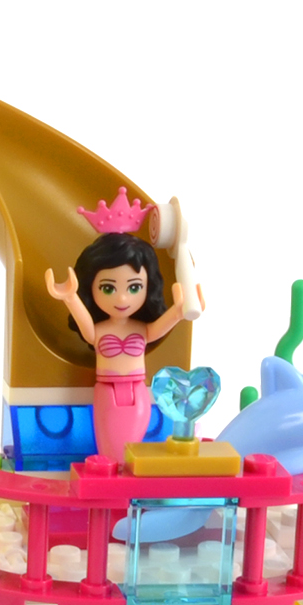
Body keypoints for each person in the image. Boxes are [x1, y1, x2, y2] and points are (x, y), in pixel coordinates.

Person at [45, 192, 203, 465]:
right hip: (106, 391)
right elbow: (87, 330)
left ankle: (125, 476)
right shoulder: (100, 330)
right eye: (108, 288)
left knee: (132, 443)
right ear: (91, 285)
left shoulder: (141, 327)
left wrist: (179, 312)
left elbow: (157, 330)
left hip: (138, 390)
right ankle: (110, 474)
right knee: (109, 446)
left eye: (134, 287)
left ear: (148, 287)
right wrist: (70, 297)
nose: (121, 298)